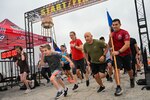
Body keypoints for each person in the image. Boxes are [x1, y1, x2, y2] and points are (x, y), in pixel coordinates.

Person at [109, 19, 135, 96]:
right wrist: (110, 38)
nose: (114, 26)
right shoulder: (112, 34)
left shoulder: (124, 32)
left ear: (120, 24)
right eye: (113, 25)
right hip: (117, 56)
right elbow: (110, 45)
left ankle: (131, 79)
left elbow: (127, 45)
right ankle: (118, 86)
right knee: (116, 70)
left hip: (126, 54)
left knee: (129, 69)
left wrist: (119, 51)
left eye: (116, 24)